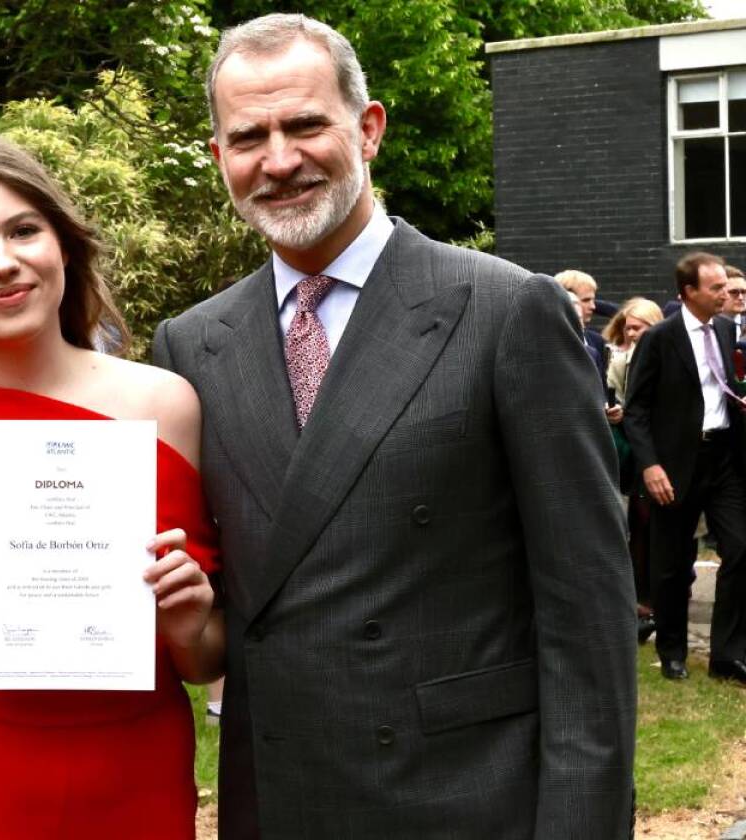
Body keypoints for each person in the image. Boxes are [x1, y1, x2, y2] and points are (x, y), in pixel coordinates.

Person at [153, 14, 636, 838]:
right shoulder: (192, 344)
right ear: (218, 156)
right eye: (249, 137)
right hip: (281, 798)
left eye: (306, 125)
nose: (279, 160)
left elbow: (586, 610)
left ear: (369, 129)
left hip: (466, 800)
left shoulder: (505, 311)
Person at [0, 133, 223, 839]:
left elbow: (205, 658)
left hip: (137, 785)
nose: (1, 262)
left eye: (23, 230)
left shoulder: (169, 407)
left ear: (63, 244)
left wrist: (188, 624)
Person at [622, 252, 746, 685]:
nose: (726, 294)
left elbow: (722, 387)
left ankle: (727, 655)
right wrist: (650, 465)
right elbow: (636, 409)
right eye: (716, 288)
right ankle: (672, 650)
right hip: (675, 464)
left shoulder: (726, 329)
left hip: (724, 458)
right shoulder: (660, 338)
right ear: (689, 291)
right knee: (672, 564)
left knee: (741, 548)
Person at [603, 297, 666, 643]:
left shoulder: (669, 355)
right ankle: (642, 604)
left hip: (670, 450)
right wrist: (619, 415)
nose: (631, 333)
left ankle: (663, 598)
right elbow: (622, 401)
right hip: (639, 454)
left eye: (639, 327)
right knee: (640, 524)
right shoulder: (619, 361)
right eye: (628, 327)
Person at [556, 269, 613, 398]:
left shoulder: (596, 340)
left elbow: (602, 388)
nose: (593, 307)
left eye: (594, 300)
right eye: (586, 300)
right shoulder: (546, 341)